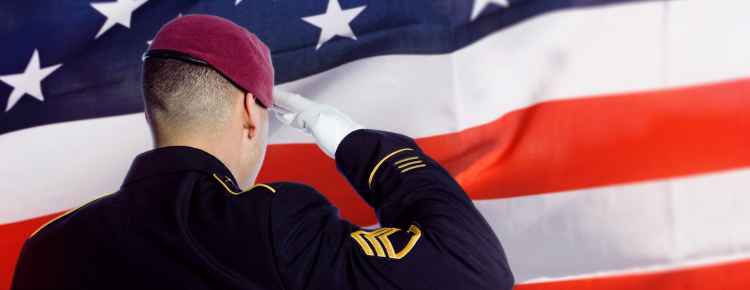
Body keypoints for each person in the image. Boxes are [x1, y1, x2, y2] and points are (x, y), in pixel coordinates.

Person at [11, 14, 514, 290]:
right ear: (252, 112)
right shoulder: (273, 223)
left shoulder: (48, 249)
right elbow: (473, 272)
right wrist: (359, 144)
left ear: (152, 113)